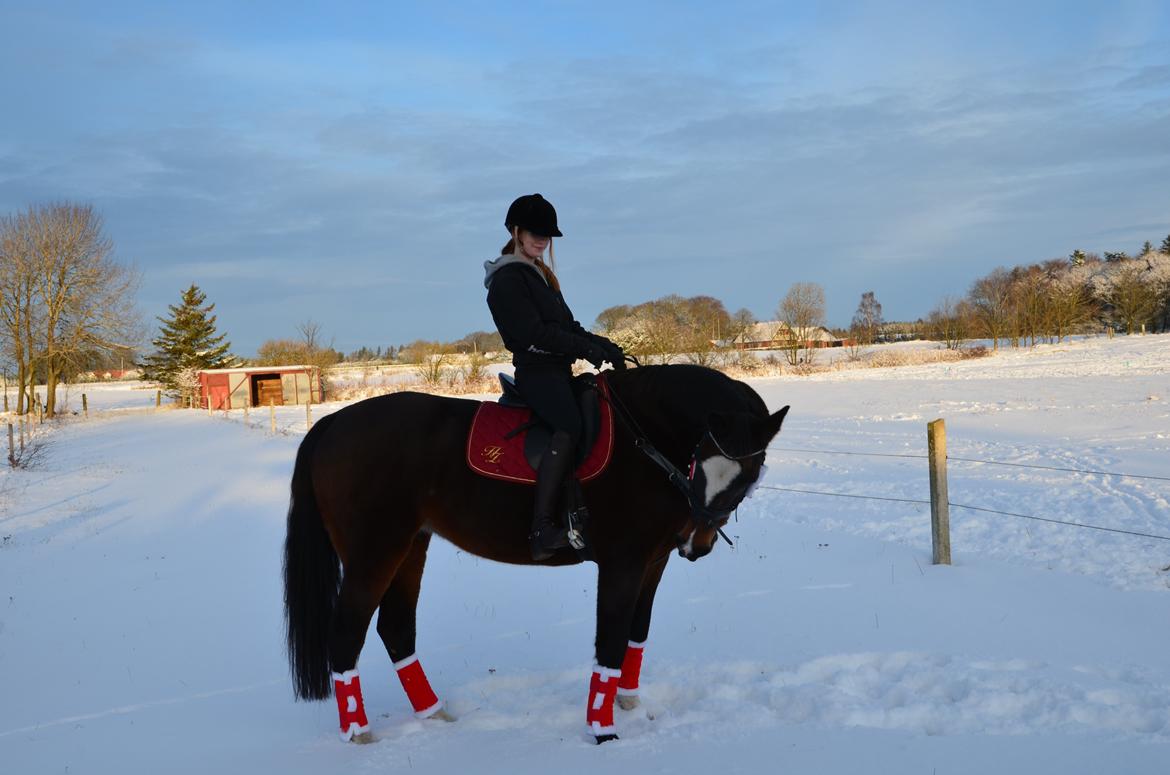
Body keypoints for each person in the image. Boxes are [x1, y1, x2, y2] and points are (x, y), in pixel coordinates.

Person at [484, 193, 625, 560]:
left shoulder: (542, 276)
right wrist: (586, 350)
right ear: (516, 231)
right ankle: (543, 528)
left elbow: (567, 326)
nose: (542, 240)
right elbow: (534, 334)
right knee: (569, 425)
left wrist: (602, 344)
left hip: (558, 371)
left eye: (547, 234)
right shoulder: (507, 280)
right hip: (535, 373)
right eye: (535, 232)